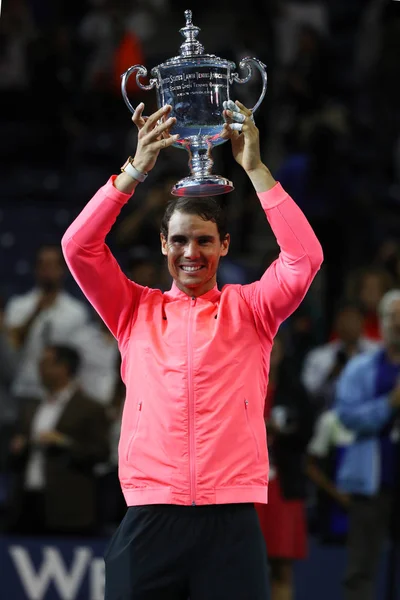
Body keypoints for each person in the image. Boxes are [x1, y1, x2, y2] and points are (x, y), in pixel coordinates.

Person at [61, 100, 323, 600]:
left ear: (224, 245)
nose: (191, 253)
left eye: (204, 241)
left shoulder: (253, 310)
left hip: (231, 520)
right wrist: (133, 172)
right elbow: (78, 248)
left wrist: (257, 170)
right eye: (179, 241)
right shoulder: (132, 310)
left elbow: (305, 257)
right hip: (149, 513)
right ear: (163, 244)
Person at [334, 288, 400, 600]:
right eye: (392, 317)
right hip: (372, 481)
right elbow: (346, 416)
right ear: (382, 322)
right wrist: (389, 404)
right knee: (361, 571)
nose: (397, 324)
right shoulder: (361, 367)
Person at [5, 344, 110, 536]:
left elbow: (102, 453)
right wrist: (19, 446)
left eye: (46, 363)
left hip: (66, 505)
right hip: (27, 501)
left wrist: (64, 442)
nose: (39, 368)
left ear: (64, 368)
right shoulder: (32, 407)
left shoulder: (89, 408)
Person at [255, 333, 315, 600]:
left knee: (282, 566)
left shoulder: (294, 390)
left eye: (276, 344)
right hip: (248, 487)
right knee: (248, 565)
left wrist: (284, 431)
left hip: (284, 486)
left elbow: (307, 432)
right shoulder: (238, 383)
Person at [4, 244, 90, 402]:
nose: (47, 271)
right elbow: (11, 346)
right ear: (36, 269)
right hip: (24, 388)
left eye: (52, 265)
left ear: (62, 269)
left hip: (60, 394)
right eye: (43, 265)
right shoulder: (18, 306)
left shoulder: (76, 312)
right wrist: (35, 312)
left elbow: (79, 355)